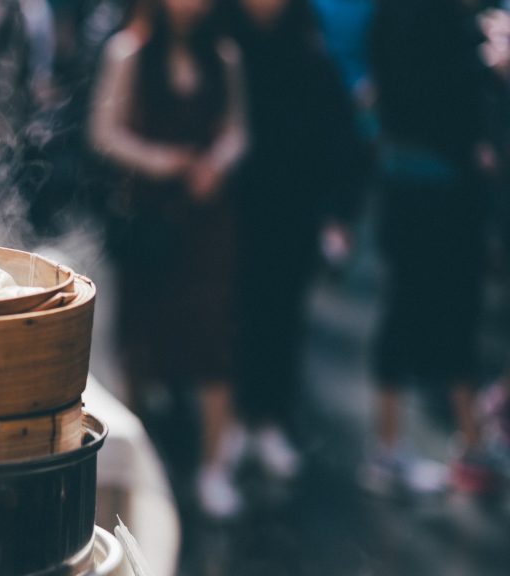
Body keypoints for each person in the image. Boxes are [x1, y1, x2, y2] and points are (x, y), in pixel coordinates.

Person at [90, 0, 248, 517]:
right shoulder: (128, 53)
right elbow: (104, 132)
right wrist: (162, 161)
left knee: (213, 340)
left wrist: (214, 164)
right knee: (140, 342)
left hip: (206, 223)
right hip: (149, 221)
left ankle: (212, 468)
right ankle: (136, 469)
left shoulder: (222, 57)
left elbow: (236, 130)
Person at [225, 0, 368, 480]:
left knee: (283, 319)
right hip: (230, 213)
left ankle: (270, 419)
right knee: (233, 319)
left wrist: (339, 214)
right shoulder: (222, 47)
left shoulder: (311, 54)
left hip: (293, 214)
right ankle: (232, 421)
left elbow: (343, 141)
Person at [366, 0, 500, 494]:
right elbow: (420, 98)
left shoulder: (431, 17)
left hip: (433, 192)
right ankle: (392, 451)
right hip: (428, 191)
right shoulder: (420, 18)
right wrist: (485, 66)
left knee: (447, 314)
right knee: (418, 313)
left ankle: (469, 442)